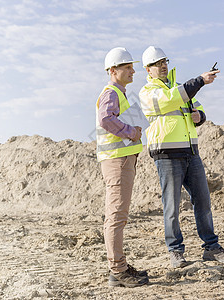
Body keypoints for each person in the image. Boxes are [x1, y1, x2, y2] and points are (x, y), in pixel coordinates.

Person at [138, 46, 224, 268]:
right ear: (148, 69)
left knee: (203, 201)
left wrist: (199, 116)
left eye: (165, 61)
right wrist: (199, 81)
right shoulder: (148, 92)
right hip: (166, 155)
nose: (163, 65)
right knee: (172, 207)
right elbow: (170, 100)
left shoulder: (179, 88)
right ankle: (175, 252)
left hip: (191, 152)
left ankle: (211, 248)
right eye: (158, 63)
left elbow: (199, 109)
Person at [96, 47, 149, 287]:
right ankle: (118, 270)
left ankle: (119, 267)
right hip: (117, 161)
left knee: (118, 216)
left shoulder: (118, 93)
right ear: (113, 70)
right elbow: (106, 119)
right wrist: (131, 131)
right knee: (116, 216)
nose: (133, 71)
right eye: (128, 67)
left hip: (122, 159)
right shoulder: (111, 93)